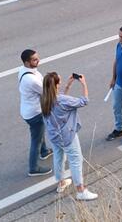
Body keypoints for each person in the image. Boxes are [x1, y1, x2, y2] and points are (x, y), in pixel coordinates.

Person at [41, 72, 97, 200]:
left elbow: (61, 104)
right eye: (59, 82)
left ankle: (61, 183)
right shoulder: (61, 100)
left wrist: (68, 86)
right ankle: (81, 190)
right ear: (56, 85)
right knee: (76, 160)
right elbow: (84, 101)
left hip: (54, 136)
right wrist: (84, 84)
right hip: (67, 135)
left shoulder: (44, 99)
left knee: (59, 157)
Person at [18, 49, 52, 177]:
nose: (38, 61)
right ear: (27, 62)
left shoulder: (23, 70)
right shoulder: (31, 80)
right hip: (34, 113)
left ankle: (44, 151)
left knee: (39, 132)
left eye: (37, 58)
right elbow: (47, 93)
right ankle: (33, 168)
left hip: (28, 110)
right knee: (36, 140)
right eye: (34, 60)